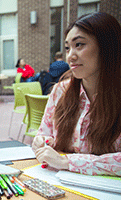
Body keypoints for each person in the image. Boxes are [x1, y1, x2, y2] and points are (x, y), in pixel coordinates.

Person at [32, 12, 121, 176]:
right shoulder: (60, 91)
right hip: (61, 184)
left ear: (107, 47)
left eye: (79, 45)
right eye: (67, 48)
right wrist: (42, 143)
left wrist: (68, 162)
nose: (70, 56)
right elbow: (44, 133)